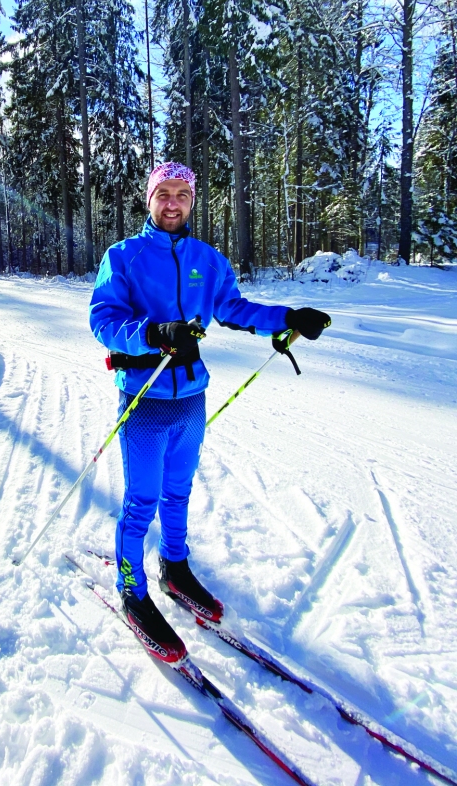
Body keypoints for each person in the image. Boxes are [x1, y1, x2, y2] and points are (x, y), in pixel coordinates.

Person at [89, 161, 330, 663]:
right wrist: (155, 334)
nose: (172, 202)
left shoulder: (208, 259)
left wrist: (288, 318)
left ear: (192, 201)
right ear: (149, 199)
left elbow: (234, 308)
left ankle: (174, 566)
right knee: (142, 502)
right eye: (163, 193)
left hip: (191, 400)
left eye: (182, 193)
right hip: (146, 400)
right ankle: (132, 589)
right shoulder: (125, 256)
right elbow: (104, 319)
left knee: (179, 493)